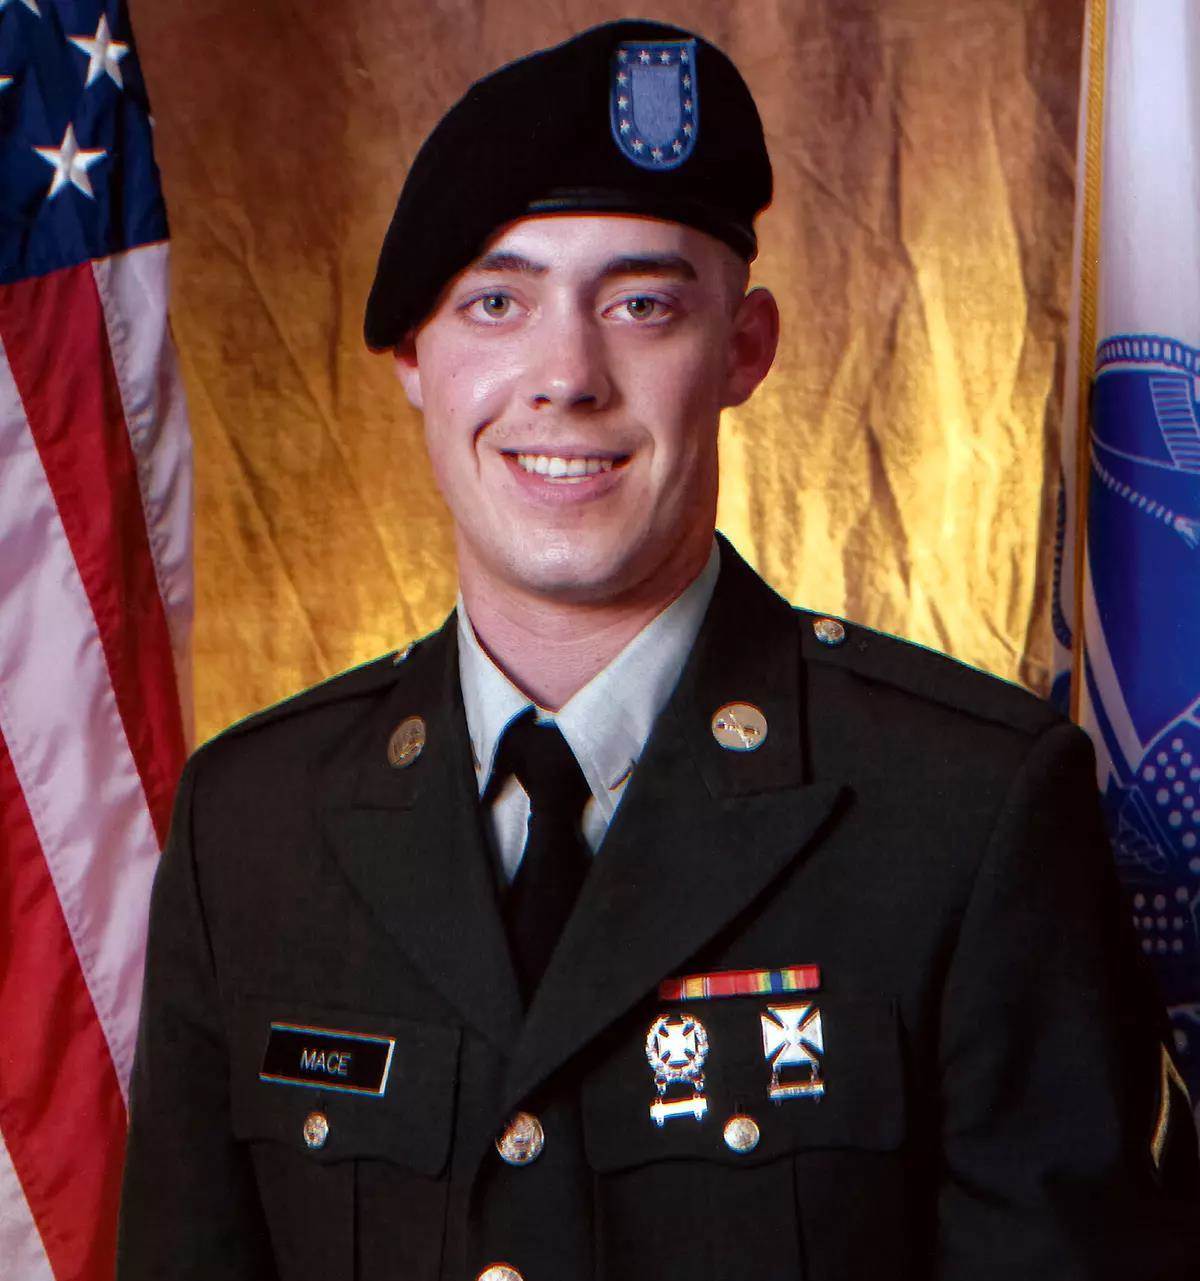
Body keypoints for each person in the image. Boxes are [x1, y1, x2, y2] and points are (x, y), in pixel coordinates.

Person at [117, 19, 1200, 1281]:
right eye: (496, 301)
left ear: (745, 349)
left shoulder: (965, 816)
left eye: (641, 304)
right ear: (417, 358)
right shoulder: (250, 830)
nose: (566, 376)